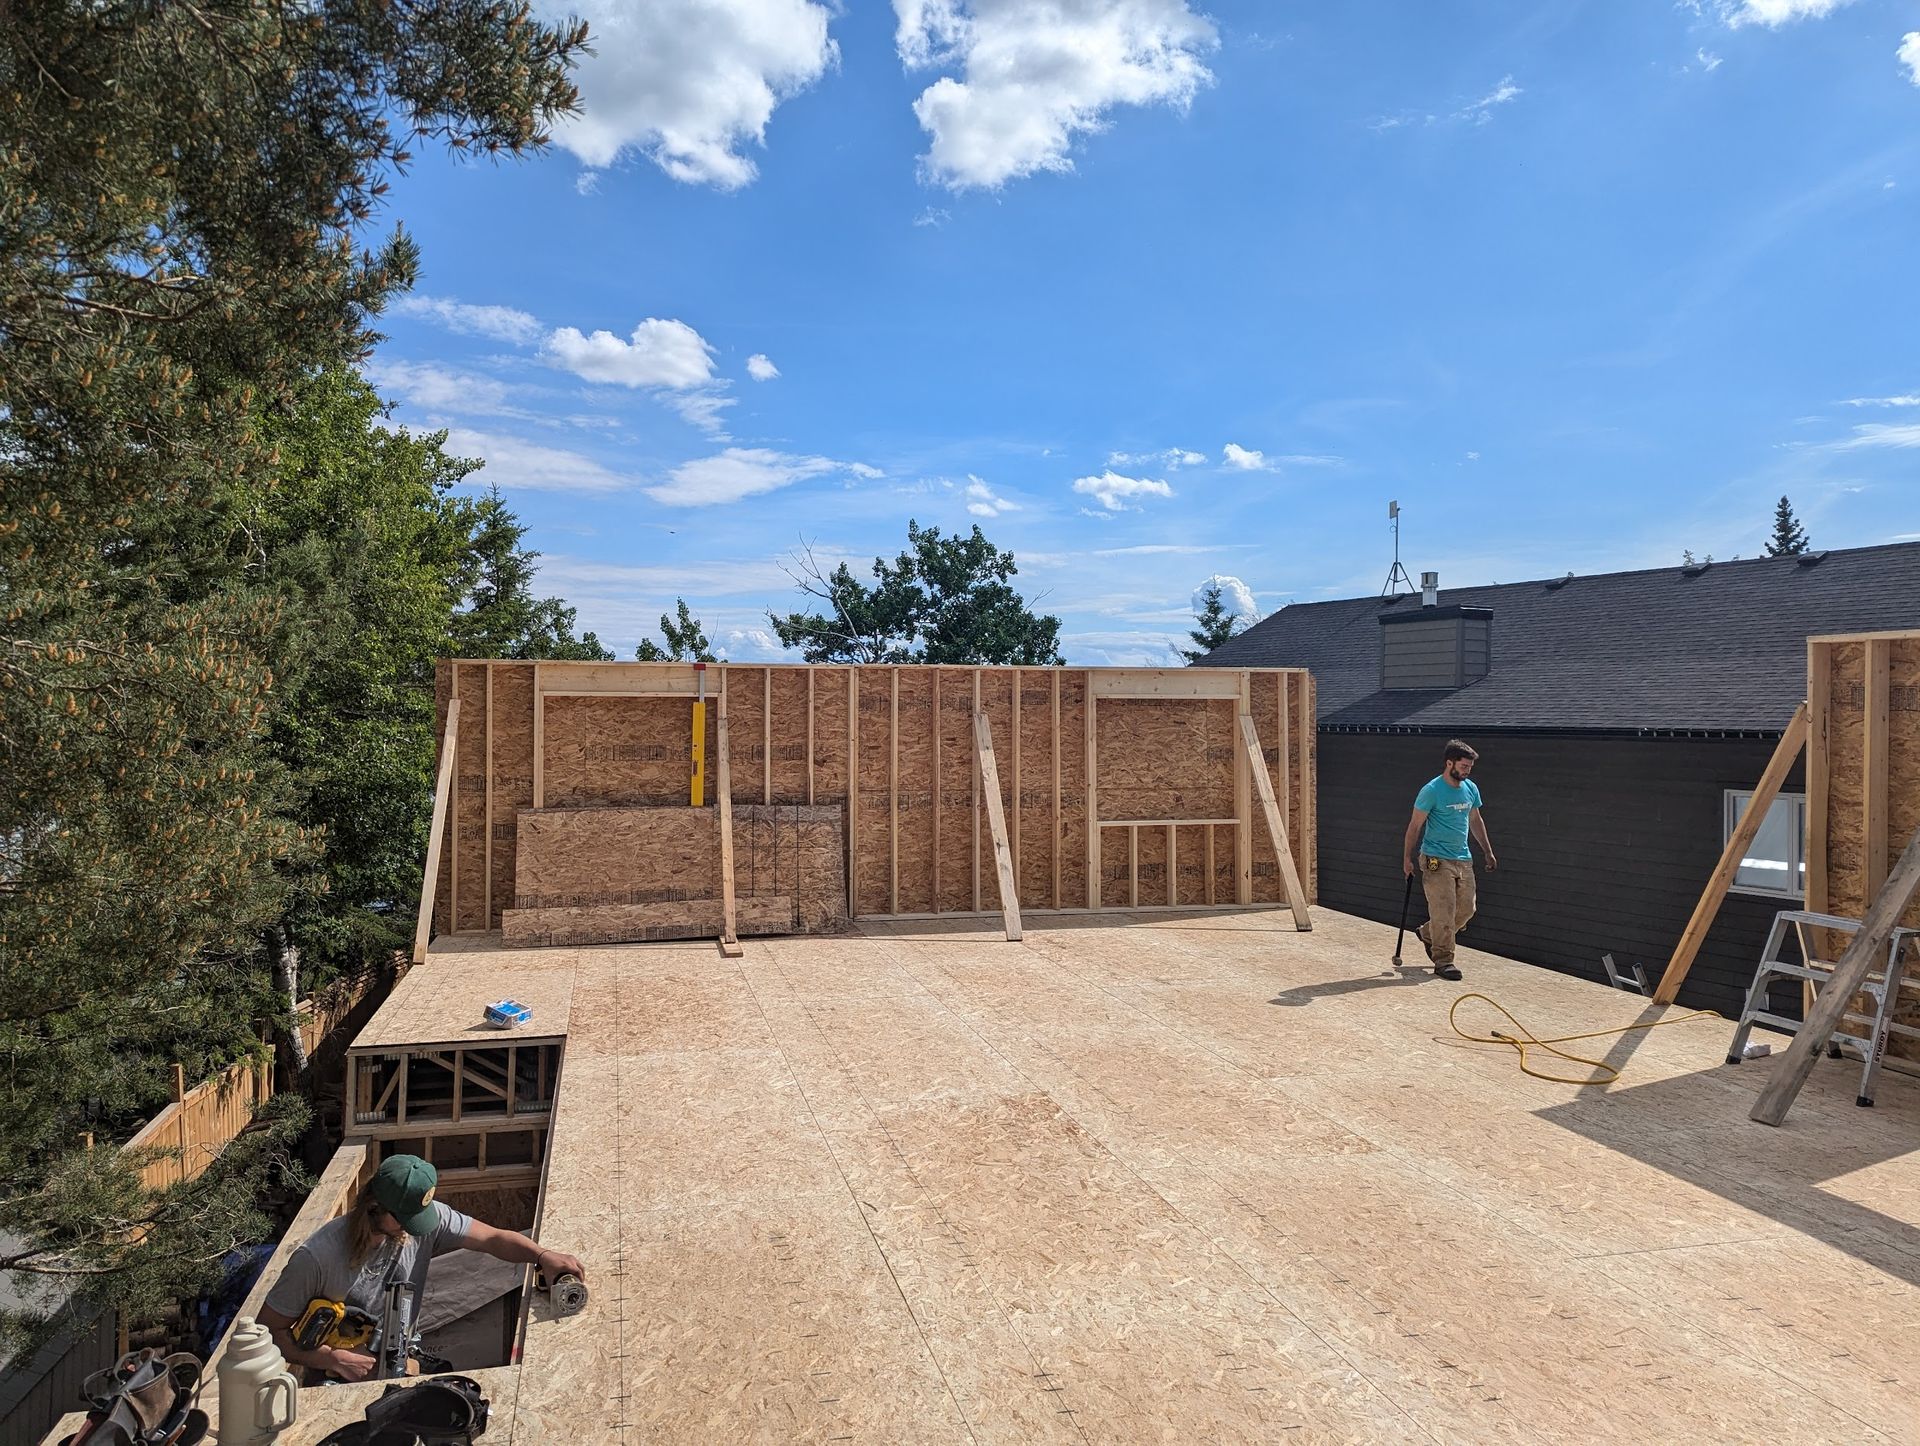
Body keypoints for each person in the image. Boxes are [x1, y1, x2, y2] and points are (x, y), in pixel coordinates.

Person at [259, 1154, 586, 1383]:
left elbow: (492, 1239)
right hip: (339, 1372)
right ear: (374, 1208)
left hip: (400, 1358)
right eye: (405, 1219)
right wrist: (329, 1359)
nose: (413, 1229)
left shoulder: (422, 1220)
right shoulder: (317, 1258)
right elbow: (268, 1333)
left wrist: (542, 1256)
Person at [1401, 739, 1497, 981]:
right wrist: (1407, 858)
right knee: (1444, 911)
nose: (1467, 771)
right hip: (1436, 859)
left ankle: (1427, 933)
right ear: (1449, 763)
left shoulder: (1471, 789)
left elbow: (1475, 820)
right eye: (1464, 766)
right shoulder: (1432, 791)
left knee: (1467, 909)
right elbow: (1414, 825)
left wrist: (1487, 850)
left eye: (1469, 767)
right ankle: (1444, 960)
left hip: (1463, 858)